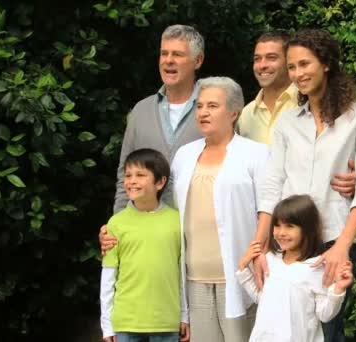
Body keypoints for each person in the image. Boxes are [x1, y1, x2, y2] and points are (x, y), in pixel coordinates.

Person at [253, 29, 356, 342]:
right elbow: (272, 185)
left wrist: (342, 246)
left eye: (305, 64)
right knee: (286, 327)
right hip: (288, 244)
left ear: (326, 64)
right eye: (292, 67)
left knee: (328, 329)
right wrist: (259, 245)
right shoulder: (287, 122)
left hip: (332, 243)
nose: (297, 74)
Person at [169, 76, 268, 342]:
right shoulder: (183, 155)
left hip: (239, 276)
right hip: (194, 277)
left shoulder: (256, 154)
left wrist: (259, 252)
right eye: (200, 106)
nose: (203, 112)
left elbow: (268, 210)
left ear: (234, 112)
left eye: (212, 106)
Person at [238, 30, 356, 197]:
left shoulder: (316, 105)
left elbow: (354, 162)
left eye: (272, 58)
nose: (262, 65)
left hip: (306, 213)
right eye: (257, 59)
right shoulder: (245, 115)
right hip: (259, 214)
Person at [113, 24, 205, 213]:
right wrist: (118, 224)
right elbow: (125, 173)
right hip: (148, 230)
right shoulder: (141, 110)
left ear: (198, 61)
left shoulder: (213, 108)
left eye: (177, 55)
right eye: (164, 54)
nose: (168, 61)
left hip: (198, 228)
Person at [100, 148, 189, 342]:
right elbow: (108, 276)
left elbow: (181, 273)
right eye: (129, 175)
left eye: (140, 175)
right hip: (126, 323)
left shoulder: (177, 221)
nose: (132, 181)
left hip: (166, 322)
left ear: (160, 182)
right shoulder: (116, 223)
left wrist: (184, 315)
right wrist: (107, 325)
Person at [237, 194, 354, 342]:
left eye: (289, 226)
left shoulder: (316, 267)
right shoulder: (270, 260)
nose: (281, 232)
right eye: (277, 225)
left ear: (307, 229)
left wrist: (338, 289)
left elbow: (324, 315)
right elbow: (263, 299)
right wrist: (243, 269)